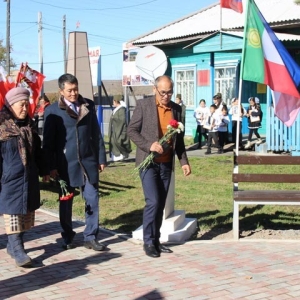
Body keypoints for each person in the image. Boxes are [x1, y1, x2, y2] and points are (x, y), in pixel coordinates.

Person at [127, 75, 191, 258]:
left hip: (166, 164)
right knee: (153, 201)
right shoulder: (143, 106)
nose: (166, 96)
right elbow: (131, 130)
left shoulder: (176, 109)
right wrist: (149, 145)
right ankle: (148, 241)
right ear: (154, 89)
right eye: (163, 92)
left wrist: (184, 162)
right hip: (148, 162)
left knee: (160, 204)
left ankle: (156, 240)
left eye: (170, 92)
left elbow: (178, 140)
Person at [43, 73, 107, 251]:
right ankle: (67, 235)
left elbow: (96, 133)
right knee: (66, 201)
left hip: (88, 161)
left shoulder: (88, 105)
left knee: (92, 198)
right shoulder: (53, 111)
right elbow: (48, 144)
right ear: (61, 91)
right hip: (65, 164)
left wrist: (101, 158)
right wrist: (51, 166)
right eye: (70, 90)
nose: (74, 93)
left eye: (76, 89)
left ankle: (91, 236)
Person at [0, 87, 43, 267]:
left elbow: (38, 153)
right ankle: (18, 249)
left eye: (27, 104)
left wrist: (46, 170)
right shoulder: (2, 128)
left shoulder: (30, 126)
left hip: (29, 177)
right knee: (13, 214)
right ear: (10, 105)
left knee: (26, 213)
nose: (25, 108)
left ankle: (13, 246)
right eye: (21, 104)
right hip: (10, 178)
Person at [108, 97, 132, 161]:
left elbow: (122, 120)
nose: (113, 103)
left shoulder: (121, 109)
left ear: (116, 101)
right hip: (115, 130)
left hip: (120, 130)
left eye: (113, 101)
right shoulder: (117, 110)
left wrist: (114, 119)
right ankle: (117, 155)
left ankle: (121, 154)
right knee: (113, 141)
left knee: (118, 142)